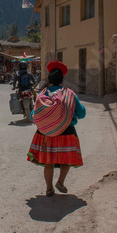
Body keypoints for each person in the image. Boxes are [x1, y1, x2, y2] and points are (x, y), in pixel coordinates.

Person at [27, 60, 86, 197]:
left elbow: (33, 114)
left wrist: (48, 120)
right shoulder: (69, 94)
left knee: (49, 162)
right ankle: (60, 181)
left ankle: (49, 188)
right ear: (62, 80)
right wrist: (67, 115)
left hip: (45, 134)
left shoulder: (42, 95)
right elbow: (81, 113)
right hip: (67, 132)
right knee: (67, 159)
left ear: (49, 80)